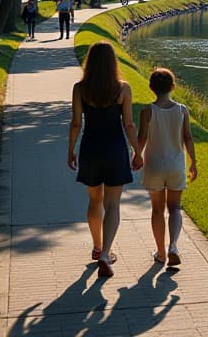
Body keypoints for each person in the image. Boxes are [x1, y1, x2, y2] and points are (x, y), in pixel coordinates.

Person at [67, 42, 143, 278]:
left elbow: (76, 123)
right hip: (115, 149)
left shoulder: (80, 89)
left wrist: (71, 150)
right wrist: (137, 150)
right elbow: (128, 124)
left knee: (94, 201)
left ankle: (97, 246)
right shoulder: (123, 89)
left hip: (90, 148)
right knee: (112, 204)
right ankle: (106, 253)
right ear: (113, 63)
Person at [137, 67, 197, 267]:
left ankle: (161, 253)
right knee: (174, 208)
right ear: (172, 86)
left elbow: (142, 138)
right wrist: (193, 162)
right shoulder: (182, 110)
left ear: (151, 87)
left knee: (157, 209)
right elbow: (187, 138)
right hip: (175, 165)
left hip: (154, 165)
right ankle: (173, 246)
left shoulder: (147, 111)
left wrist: (136, 156)